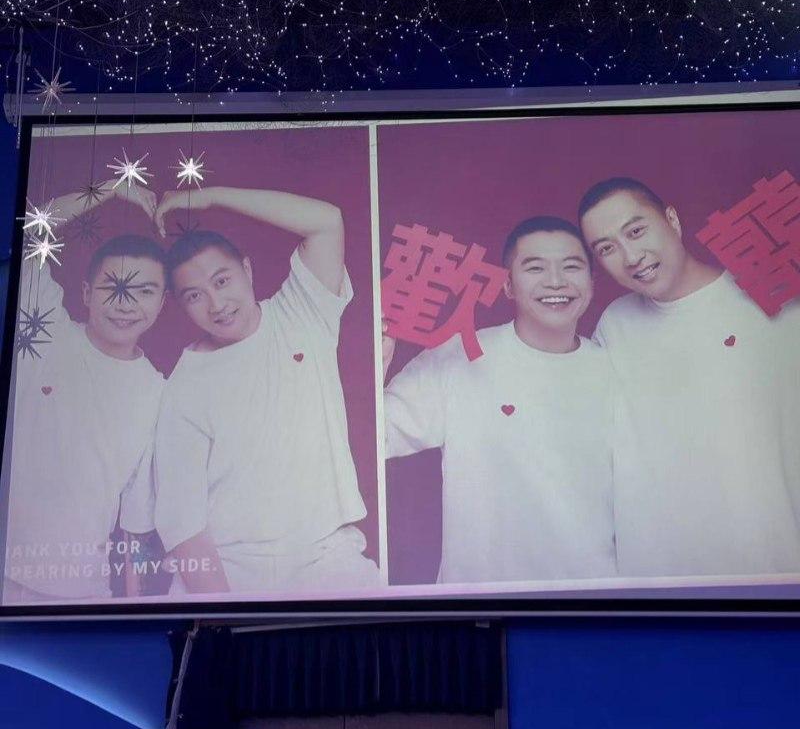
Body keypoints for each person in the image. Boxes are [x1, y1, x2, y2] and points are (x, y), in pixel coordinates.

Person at [153, 186, 378, 594]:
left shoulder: (302, 312)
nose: (216, 304)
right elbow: (183, 524)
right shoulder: (183, 386)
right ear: (181, 305)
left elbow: (326, 221)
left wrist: (211, 195)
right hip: (232, 568)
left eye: (223, 280)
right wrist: (226, 612)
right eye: (195, 296)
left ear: (247, 269)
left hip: (327, 554)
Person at [579, 176, 800, 578]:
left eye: (636, 231)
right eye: (607, 248)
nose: (631, 257)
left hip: (770, 570)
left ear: (673, 220)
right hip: (659, 580)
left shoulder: (768, 302)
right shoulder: (615, 325)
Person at [383, 216, 615, 584]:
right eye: (535, 268)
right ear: (507, 284)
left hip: (590, 596)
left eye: (571, 266)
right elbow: (373, 439)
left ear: (591, 281)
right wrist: (376, 367)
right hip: (481, 601)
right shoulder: (461, 356)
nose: (556, 281)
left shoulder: (614, 369)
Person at [3, 183, 166, 604]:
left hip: (78, 591)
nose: (126, 304)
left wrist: (132, 608)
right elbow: (33, 228)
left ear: (162, 302)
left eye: (144, 291)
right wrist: (111, 189)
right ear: (86, 293)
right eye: (113, 287)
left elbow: (135, 521)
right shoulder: (45, 329)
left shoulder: (159, 393)